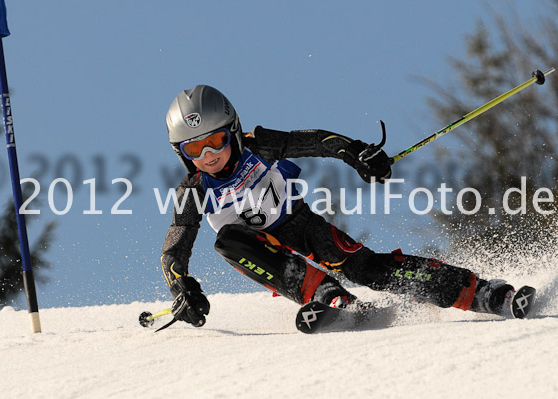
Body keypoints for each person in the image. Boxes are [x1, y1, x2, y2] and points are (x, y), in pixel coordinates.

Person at [161, 84, 524, 328]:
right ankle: (323, 294)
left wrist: (356, 152)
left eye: (216, 141)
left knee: (368, 269)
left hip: (299, 224)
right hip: (262, 252)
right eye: (194, 149)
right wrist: (183, 289)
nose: (208, 155)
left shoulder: (259, 146)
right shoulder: (193, 190)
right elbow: (174, 251)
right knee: (227, 240)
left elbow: (316, 141)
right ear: (181, 154)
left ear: (234, 130)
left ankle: (480, 292)